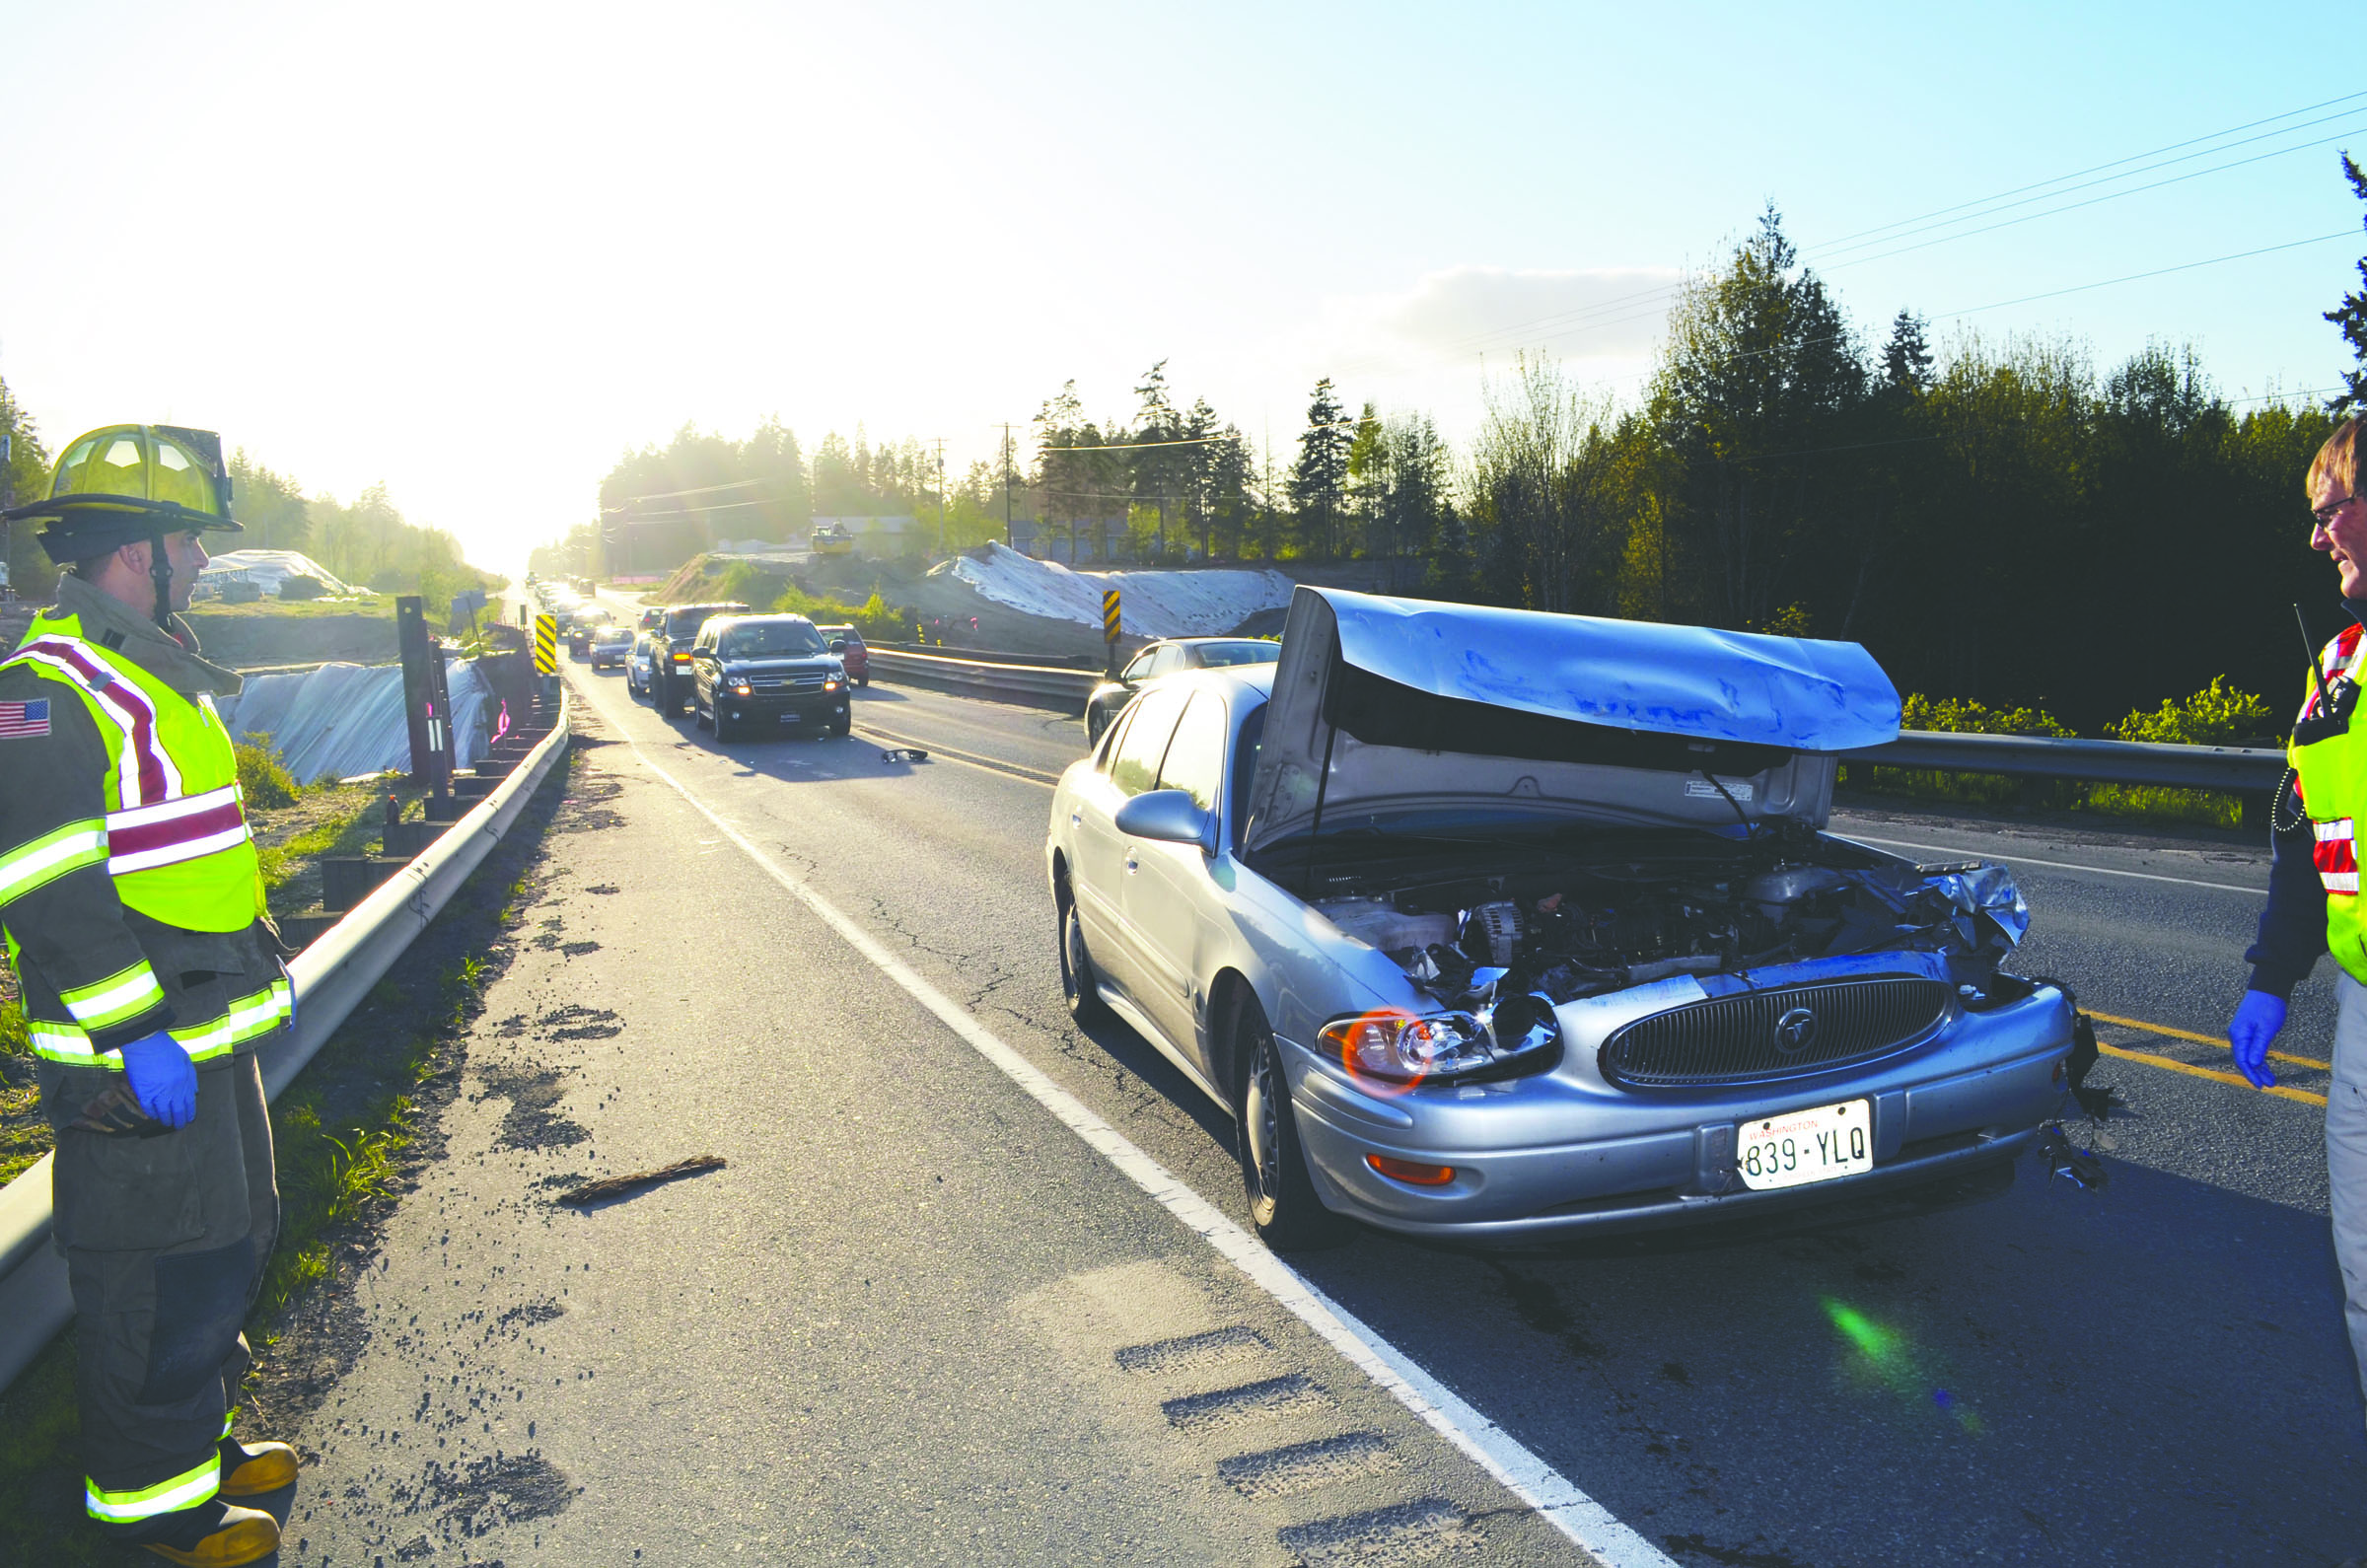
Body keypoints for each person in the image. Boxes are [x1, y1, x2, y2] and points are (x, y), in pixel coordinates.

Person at [0, 425, 297, 1565]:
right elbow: (48, 888)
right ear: (136, 554)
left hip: (203, 1039)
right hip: (137, 1066)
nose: (209, 564)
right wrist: (133, 1039)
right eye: (190, 541)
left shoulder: (148, 662)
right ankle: (153, 1518)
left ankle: (198, 1449)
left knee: (226, 1242)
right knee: (153, 1280)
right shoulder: (44, 691)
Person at [2231, 411, 2367, 1447]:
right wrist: (2273, 977)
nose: (2319, 539)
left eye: (2335, 514)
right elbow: (2303, 835)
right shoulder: (2338, 670)